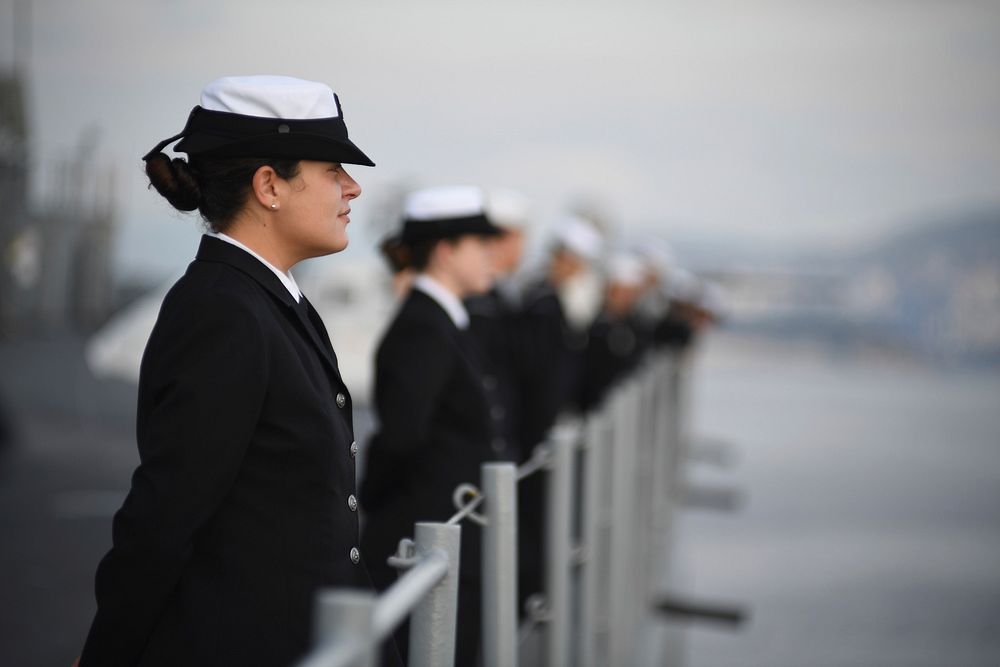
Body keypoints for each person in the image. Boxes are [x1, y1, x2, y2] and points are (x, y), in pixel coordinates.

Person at [76, 75, 378, 667]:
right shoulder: (221, 310)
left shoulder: (266, 299)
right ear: (269, 185)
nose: (353, 188)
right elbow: (165, 513)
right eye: (332, 171)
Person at [360, 185, 506, 666]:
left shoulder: (443, 322)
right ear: (445, 251)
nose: (493, 256)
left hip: (443, 535)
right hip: (424, 537)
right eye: (480, 244)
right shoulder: (425, 327)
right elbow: (401, 438)